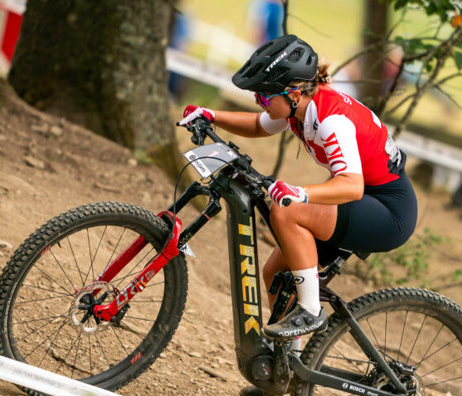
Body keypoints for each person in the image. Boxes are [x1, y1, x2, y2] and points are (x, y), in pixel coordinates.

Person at [179, 34, 417, 343]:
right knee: (276, 276)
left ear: (293, 92)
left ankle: (310, 310)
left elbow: (352, 186)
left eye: (264, 97)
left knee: (287, 211)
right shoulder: (300, 108)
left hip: (387, 211)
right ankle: (286, 366)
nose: (259, 102)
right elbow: (258, 125)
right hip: (363, 201)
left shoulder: (331, 120)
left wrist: (301, 194)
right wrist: (212, 116)